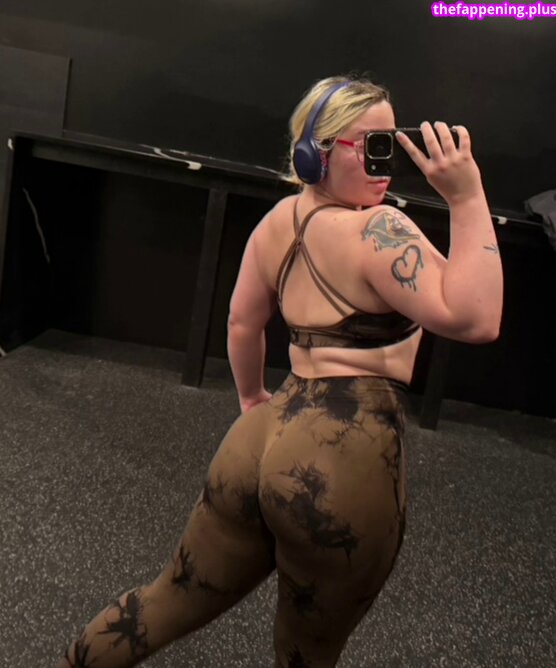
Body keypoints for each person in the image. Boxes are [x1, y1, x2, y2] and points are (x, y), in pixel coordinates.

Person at [57, 75, 503, 668]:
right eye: (369, 146)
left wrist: (251, 401)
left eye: (390, 144)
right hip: (345, 455)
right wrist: (467, 198)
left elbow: (242, 323)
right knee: (305, 656)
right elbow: (477, 318)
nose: (385, 163)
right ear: (314, 154)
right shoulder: (381, 231)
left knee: (166, 599)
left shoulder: (278, 222)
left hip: (260, 438)